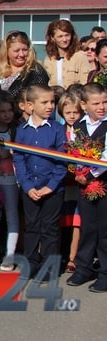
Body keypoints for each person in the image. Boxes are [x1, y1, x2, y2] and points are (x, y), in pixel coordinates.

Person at [13, 84, 67, 278]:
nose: (50, 106)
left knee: (50, 228)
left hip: (52, 190)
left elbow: (62, 160)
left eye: (52, 102)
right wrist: (27, 186)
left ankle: (49, 266)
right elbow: (19, 159)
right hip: (30, 189)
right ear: (30, 105)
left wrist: (51, 186)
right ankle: (30, 263)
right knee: (32, 226)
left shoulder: (57, 129)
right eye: (44, 102)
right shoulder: (22, 130)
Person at [67, 83, 107, 292]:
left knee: (104, 230)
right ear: (84, 105)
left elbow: (105, 157)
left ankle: (105, 272)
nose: (102, 107)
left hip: (103, 183)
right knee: (88, 227)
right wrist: (78, 172)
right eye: (96, 103)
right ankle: (84, 267)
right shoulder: (79, 125)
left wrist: (89, 175)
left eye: (105, 102)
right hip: (85, 184)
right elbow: (74, 152)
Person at [0, 92, 20, 272]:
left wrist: (9, 154)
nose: (7, 114)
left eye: (10, 110)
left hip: (11, 178)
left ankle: (10, 254)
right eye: (2, 111)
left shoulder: (16, 130)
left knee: (11, 215)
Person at [58, 91, 84, 273]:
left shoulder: (84, 132)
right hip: (61, 180)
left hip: (79, 181)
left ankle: (73, 258)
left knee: (77, 220)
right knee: (61, 219)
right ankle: (60, 254)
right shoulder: (58, 131)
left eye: (76, 112)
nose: (72, 116)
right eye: (68, 113)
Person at [0, 30, 49, 100]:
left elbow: (38, 98)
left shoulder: (36, 71)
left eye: (25, 50)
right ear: (7, 51)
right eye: (16, 51)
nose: (21, 54)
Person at [42, 19, 90, 88]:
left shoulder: (80, 56)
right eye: (60, 36)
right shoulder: (49, 59)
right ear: (52, 38)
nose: (64, 39)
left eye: (67, 35)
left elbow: (85, 83)